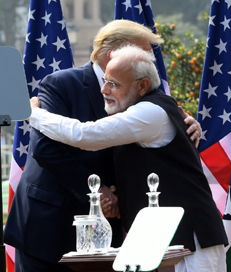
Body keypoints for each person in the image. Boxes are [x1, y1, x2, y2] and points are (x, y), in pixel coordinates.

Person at [4, 20, 201, 272]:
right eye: (143, 53)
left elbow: (156, 128)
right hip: (49, 229)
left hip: (108, 234)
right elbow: (46, 149)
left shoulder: (140, 89)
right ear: (112, 55)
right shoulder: (60, 84)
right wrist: (99, 193)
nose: (149, 62)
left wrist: (188, 125)